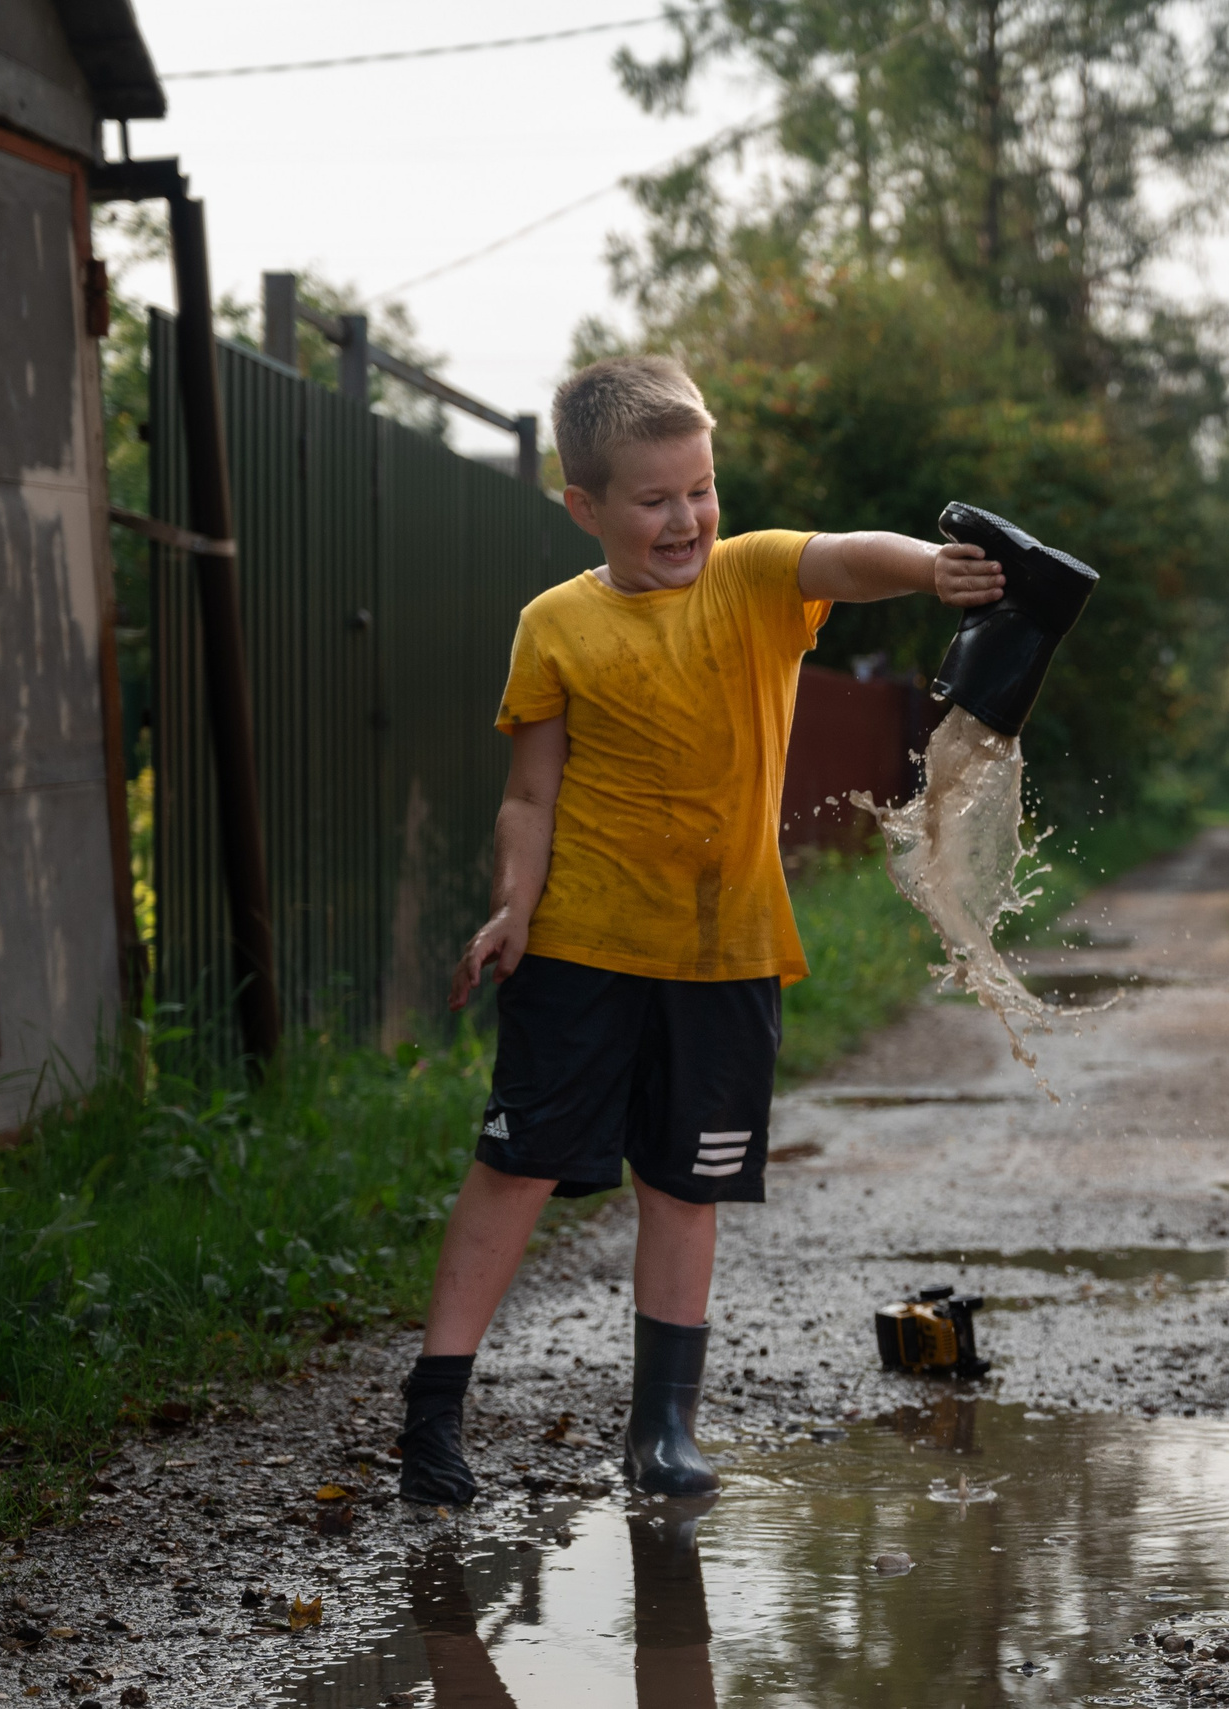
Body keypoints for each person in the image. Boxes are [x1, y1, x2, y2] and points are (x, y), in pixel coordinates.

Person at [396, 355, 1004, 1506]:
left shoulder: (754, 580)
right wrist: (510, 908)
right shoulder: (555, 625)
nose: (686, 518)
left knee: (686, 1186)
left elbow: (843, 554)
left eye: (700, 489)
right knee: (517, 1167)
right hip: (578, 945)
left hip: (724, 951)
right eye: (653, 497)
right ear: (585, 506)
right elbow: (529, 792)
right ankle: (434, 1414)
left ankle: (661, 1430)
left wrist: (936, 569)